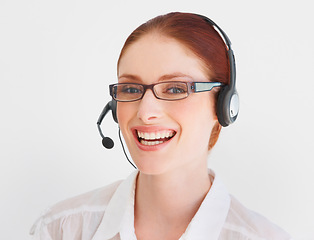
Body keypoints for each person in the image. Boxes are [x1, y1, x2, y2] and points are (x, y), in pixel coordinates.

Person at [30, 12, 292, 240]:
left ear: (223, 106)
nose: (145, 113)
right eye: (131, 88)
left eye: (176, 88)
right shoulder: (62, 229)